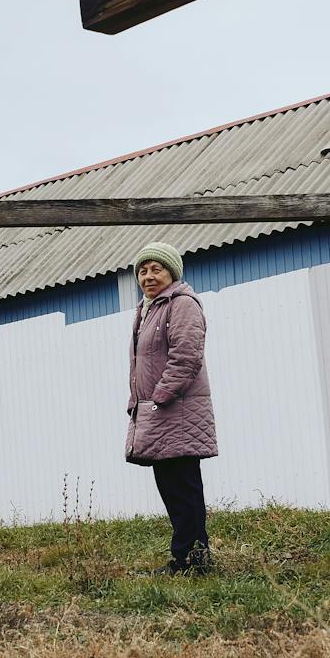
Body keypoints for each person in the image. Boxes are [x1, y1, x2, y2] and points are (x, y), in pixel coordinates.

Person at [125, 242, 216, 574]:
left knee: (183, 485)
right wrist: (139, 402)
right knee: (171, 485)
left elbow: (186, 357)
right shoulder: (147, 308)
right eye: (143, 270)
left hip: (176, 410)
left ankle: (193, 558)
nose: (149, 276)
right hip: (157, 410)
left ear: (172, 272)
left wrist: (159, 397)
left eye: (156, 269)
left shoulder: (182, 304)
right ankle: (187, 557)